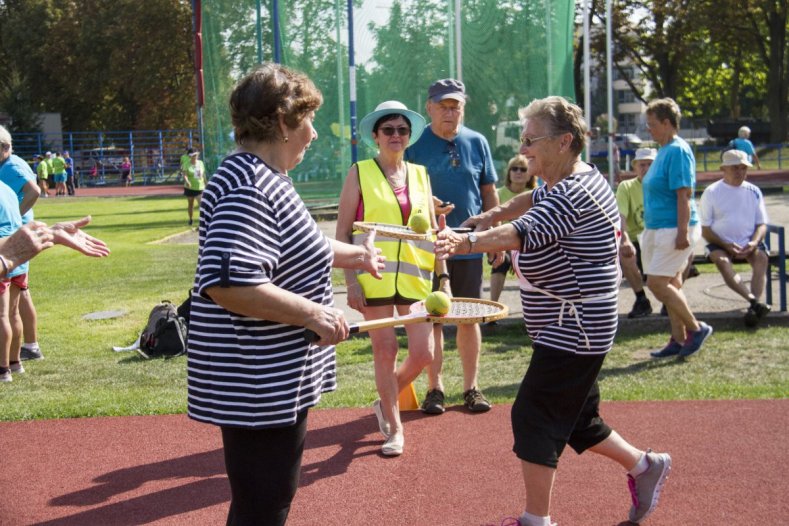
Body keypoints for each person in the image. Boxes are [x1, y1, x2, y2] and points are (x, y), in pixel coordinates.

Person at [440, 96, 671, 526]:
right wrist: (485, 218)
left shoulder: (576, 191)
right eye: (523, 138)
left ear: (564, 141)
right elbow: (529, 202)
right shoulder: (561, 180)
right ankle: (645, 466)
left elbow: (524, 231)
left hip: (577, 328)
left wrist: (465, 242)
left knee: (533, 415)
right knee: (579, 418)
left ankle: (536, 520)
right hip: (570, 326)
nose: (524, 148)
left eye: (531, 139)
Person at [187, 63, 385, 526]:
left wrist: (358, 256)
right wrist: (314, 314)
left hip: (268, 381)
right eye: (308, 119)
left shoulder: (263, 177)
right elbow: (230, 281)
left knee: (269, 498)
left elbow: (303, 244)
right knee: (264, 505)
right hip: (257, 384)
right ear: (281, 121)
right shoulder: (251, 185)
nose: (314, 133)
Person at [335, 100, 446, 456]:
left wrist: (442, 278)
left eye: (402, 130)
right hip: (374, 276)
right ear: (375, 136)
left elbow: (431, 232)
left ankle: (386, 400)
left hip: (415, 280)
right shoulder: (359, 172)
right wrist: (351, 281)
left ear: (409, 136)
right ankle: (395, 429)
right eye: (389, 130)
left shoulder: (421, 174)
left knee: (424, 352)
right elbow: (342, 231)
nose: (396, 135)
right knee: (385, 349)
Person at [405, 78, 499, 415]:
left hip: (469, 243)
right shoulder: (414, 145)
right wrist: (428, 203)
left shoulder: (477, 141)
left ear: (463, 107)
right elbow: (405, 190)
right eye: (442, 105)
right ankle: (435, 388)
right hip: (429, 247)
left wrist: (494, 232)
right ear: (428, 107)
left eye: (455, 105)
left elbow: (489, 192)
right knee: (434, 317)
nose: (449, 111)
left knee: (468, 318)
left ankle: (472, 387)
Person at [642, 98, 712, 359]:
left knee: (657, 284)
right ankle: (679, 339)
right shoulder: (665, 149)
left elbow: (683, 195)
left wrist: (682, 232)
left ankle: (696, 328)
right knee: (671, 283)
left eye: (652, 124)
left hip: (674, 229)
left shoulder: (677, 150)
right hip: (661, 228)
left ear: (667, 123)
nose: (648, 129)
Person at [700, 149, 771, 327]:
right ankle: (754, 302)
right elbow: (705, 229)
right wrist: (725, 244)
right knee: (723, 261)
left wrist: (754, 242)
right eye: (735, 168)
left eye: (743, 168)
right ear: (724, 169)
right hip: (718, 242)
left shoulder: (754, 191)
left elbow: (761, 224)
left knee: (762, 258)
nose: (740, 172)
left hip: (748, 241)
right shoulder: (711, 192)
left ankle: (753, 308)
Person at [0, 126, 45, 362]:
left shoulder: (12, 166)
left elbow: (34, 191)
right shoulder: (6, 165)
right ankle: (30, 346)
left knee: (12, 299)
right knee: (21, 293)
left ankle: (12, 359)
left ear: (4, 147)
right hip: (15, 236)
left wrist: (16, 218)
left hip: (13, 238)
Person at [488, 154, 536, 307]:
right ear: (508, 173)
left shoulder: (535, 194)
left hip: (529, 244)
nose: (518, 172)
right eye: (514, 168)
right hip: (502, 243)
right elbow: (494, 221)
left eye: (523, 169)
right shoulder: (498, 194)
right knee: (502, 261)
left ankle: (533, 309)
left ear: (530, 174)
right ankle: (493, 307)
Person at [616, 147, 656, 318]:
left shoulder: (664, 186)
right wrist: (624, 239)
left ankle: (671, 301)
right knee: (624, 253)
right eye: (642, 164)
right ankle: (641, 300)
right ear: (635, 167)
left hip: (659, 237)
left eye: (650, 164)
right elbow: (620, 217)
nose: (645, 168)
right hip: (637, 239)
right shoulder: (626, 187)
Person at [181, 149, 205, 226]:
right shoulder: (186, 164)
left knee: (201, 205)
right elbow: (184, 175)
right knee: (191, 204)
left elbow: (203, 174)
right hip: (190, 188)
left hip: (200, 187)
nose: (195, 157)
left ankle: (202, 222)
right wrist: (187, 181)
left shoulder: (201, 163)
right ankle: (190, 219)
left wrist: (206, 183)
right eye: (194, 155)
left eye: (196, 155)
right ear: (190, 156)